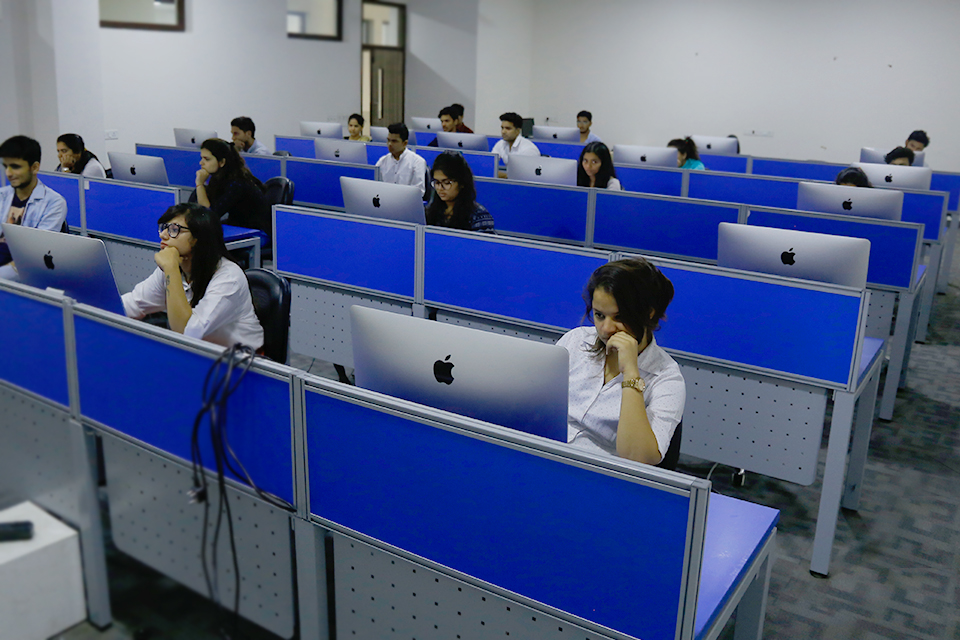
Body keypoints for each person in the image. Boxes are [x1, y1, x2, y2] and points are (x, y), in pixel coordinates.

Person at [557, 258, 684, 465]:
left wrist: (631, 372)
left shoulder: (666, 378)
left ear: (648, 313)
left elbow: (639, 458)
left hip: (599, 473)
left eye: (619, 317)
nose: (606, 329)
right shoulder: (576, 341)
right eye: (599, 315)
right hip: (546, 455)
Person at [122, 203, 263, 351]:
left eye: (174, 230)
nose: (163, 235)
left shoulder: (229, 278)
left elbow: (187, 333)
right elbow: (134, 304)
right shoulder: (174, 267)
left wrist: (171, 270)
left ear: (197, 238)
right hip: (199, 353)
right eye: (164, 228)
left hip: (240, 359)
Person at [0, 135, 68, 278]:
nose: (8, 173)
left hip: (20, 267)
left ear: (35, 167)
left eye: (15, 167)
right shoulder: (2, 195)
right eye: (6, 167)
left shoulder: (54, 202)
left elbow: (36, 252)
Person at [194, 138, 270, 235]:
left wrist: (200, 184)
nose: (201, 163)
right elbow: (198, 209)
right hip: (238, 226)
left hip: (257, 232)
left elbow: (209, 216)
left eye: (207, 159)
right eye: (201, 158)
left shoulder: (237, 183)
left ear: (222, 162)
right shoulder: (219, 178)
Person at [424, 151, 494, 233]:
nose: (440, 188)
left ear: (461, 183)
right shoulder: (430, 212)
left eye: (446, 183)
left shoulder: (479, 217)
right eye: (437, 182)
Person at [375, 123, 428, 198]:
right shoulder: (382, 161)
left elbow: (418, 192)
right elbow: (375, 187)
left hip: (407, 202)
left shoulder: (417, 162)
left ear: (404, 143)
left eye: (394, 141)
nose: (390, 144)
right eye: (388, 140)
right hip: (385, 200)